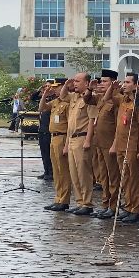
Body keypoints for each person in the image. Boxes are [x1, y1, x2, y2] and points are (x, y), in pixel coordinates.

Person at [110, 73, 139, 224]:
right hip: (121, 145)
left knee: (134, 178)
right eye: (124, 82)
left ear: (136, 85)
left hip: (133, 146)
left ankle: (136, 209)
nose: (124, 85)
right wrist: (113, 87)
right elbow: (107, 98)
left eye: (128, 82)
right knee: (125, 178)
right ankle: (128, 206)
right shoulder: (122, 100)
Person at [88, 69, 121, 220]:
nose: (101, 84)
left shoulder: (117, 99)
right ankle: (105, 204)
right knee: (103, 177)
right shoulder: (101, 98)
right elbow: (87, 100)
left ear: (113, 82)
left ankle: (114, 206)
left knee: (113, 177)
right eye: (101, 81)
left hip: (110, 144)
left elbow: (118, 125)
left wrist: (115, 144)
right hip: (99, 144)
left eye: (105, 81)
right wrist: (90, 88)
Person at [62, 72, 95, 216]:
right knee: (74, 173)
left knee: (83, 173)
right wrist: (65, 85)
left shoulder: (90, 99)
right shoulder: (74, 97)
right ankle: (79, 201)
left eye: (77, 81)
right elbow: (62, 96)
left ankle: (87, 203)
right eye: (74, 81)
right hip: (72, 139)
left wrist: (88, 140)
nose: (74, 83)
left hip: (82, 138)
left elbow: (92, 121)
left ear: (87, 83)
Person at [41, 80, 72, 212]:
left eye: (57, 87)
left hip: (62, 137)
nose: (54, 90)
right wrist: (44, 95)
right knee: (56, 171)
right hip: (53, 138)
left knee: (63, 171)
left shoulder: (68, 103)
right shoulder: (55, 102)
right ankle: (58, 198)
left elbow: (71, 124)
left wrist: (67, 144)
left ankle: (64, 200)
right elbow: (42, 108)